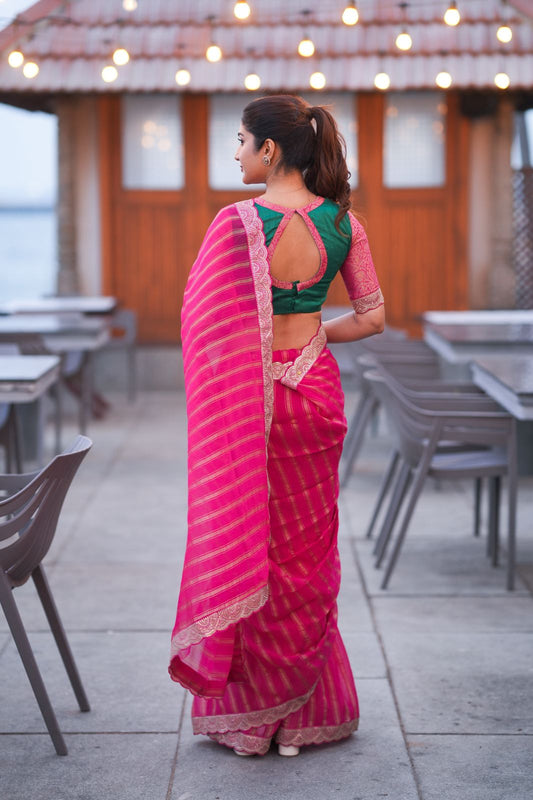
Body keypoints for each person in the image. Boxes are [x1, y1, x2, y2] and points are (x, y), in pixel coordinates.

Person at [169, 94, 385, 757]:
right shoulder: (344, 223)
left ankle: (255, 720)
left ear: (269, 149)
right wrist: (312, 335)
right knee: (308, 556)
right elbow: (372, 318)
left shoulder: (236, 223)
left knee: (251, 547)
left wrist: (248, 359)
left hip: (250, 405)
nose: (235, 153)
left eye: (240, 140)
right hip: (315, 396)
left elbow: (204, 327)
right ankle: (302, 715)